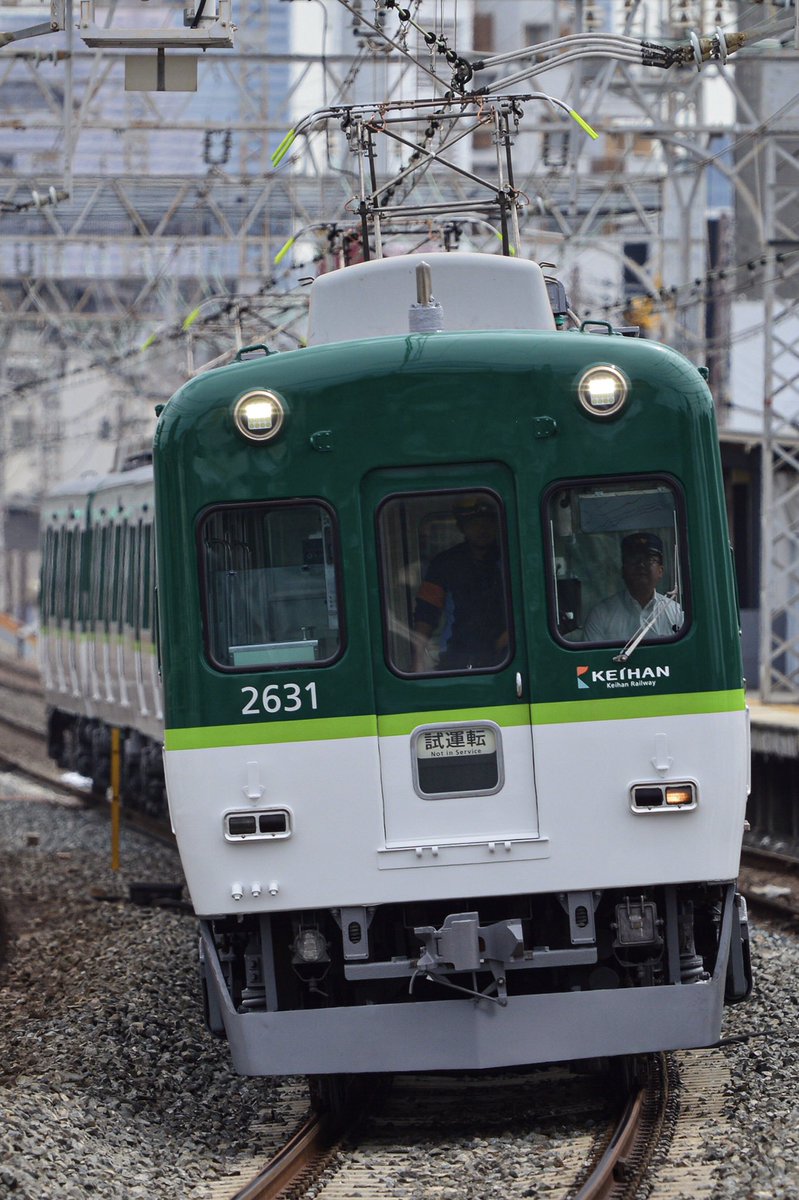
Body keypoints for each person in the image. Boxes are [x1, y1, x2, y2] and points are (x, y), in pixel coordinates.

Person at [412, 496, 508, 671]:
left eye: (488, 522)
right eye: (474, 523)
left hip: (506, 657)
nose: (482, 529)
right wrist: (418, 659)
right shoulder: (444, 564)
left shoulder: (510, 560)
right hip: (456, 658)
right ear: (461, 527)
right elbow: (426, 612)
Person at [583, 531, 683, 643]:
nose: (641, 565)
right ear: (623, 570)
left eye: (649, 560)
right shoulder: (600, 615)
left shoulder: (676, 614)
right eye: (633, 559)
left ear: (661, 571)